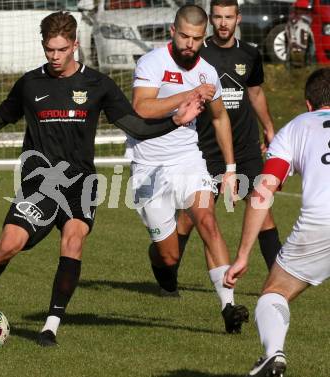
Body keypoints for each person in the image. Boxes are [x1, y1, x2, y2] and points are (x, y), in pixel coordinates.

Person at [0, 11, 203, 347]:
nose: (54, 56)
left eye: (61, 49)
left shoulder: (98, 85)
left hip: (81, 184)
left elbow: (135, 126)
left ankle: (50, 325)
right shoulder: (30, 84)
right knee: (8, 244)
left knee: (73, 240)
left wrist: (176, 122)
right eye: (49, 49)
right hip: (39, 184)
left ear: (75, 45)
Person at [129, 4, 249, 333]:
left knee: (208, 221)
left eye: (196, 39)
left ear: (203, 37)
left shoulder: (207, 71)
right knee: (168, 256)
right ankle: (164, 264)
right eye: (184, 36)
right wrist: (188, 93)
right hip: (149, 167)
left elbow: (220, 117)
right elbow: (142, 107)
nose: (189, 44)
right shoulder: (152, 62)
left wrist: (229, 168)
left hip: (187, 159)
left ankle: (228, 307)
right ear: (172, 31)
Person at [225, 67, 330, 377]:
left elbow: (263, 190)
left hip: (322, 220)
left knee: (275, 292)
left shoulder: (298, 127)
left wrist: (243, 254)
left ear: (308, 104)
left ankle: (274, 354)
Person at [174, 0, 281, 282]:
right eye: (218, 17)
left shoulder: (250, 54)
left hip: (245, 147)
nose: (223, 23)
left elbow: (255, 94)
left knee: (262, 209)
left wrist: (269, 128)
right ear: (210, 19)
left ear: (238, 19)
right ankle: (168, 272)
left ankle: (279, 276)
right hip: (207, 149)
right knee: (190, 216)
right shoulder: (198, 53)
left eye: (229, 17)